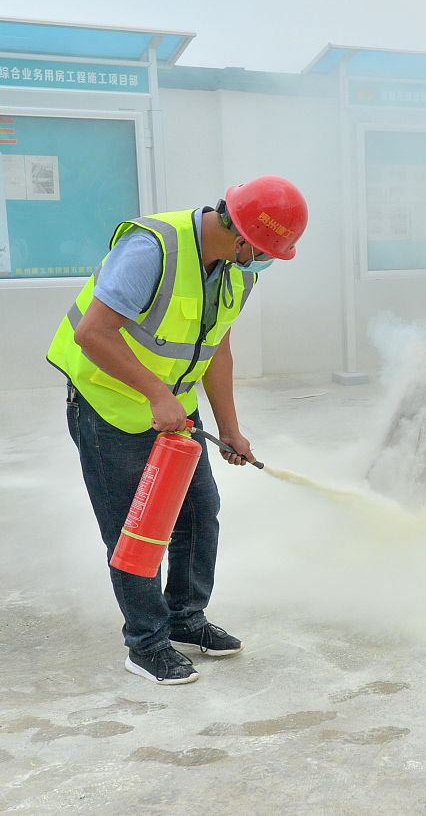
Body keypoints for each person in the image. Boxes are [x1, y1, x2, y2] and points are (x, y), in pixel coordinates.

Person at [47, 176, 308, 685]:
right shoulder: (152, 249)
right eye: (268, 251)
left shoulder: (236, 272)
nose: (267, 262)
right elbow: (92, 333)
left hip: (174, 411)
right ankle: (146, 644)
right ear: (243, 240)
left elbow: (217, 349)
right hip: (109, 408)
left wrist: (230, 428)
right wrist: (155, 394)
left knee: (197, 511)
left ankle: (186, 618)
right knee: (135, 529)